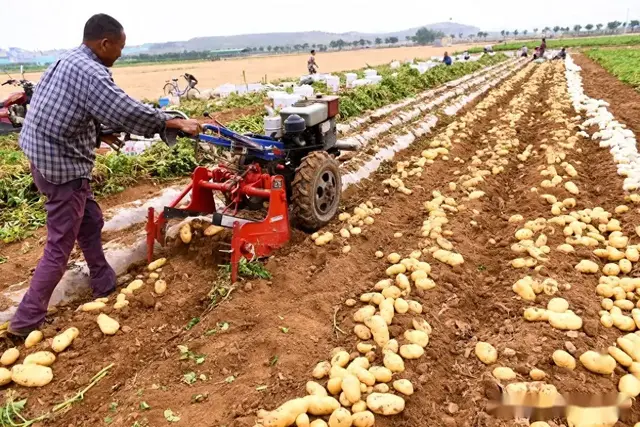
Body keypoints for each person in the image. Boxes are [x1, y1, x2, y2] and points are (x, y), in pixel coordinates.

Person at [9, 13, 201, 337]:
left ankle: (103, 281)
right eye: (120, 48)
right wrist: (173, 122)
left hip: (42, 155)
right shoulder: (92, 73)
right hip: (61, 165)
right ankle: (24, 322)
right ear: (105, 43)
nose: (121, 54)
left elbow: (70, 109)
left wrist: (99, 132)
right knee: (59, 245)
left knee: (90, 219)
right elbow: (124, 109)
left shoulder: (68, 60)